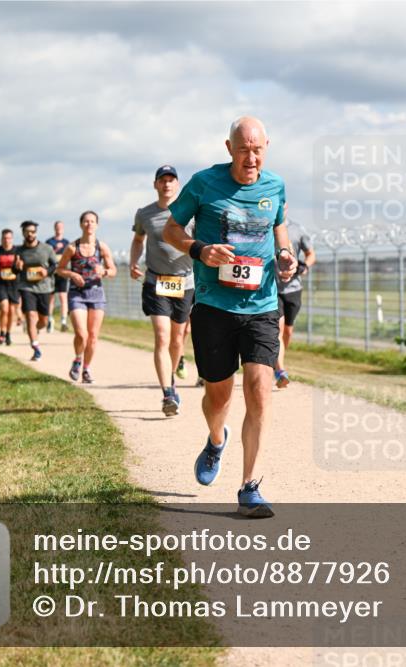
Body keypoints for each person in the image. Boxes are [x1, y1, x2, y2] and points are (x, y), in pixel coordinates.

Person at [163, 116, 297, 518]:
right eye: (243, 150)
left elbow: (280, 226)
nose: (250, 158)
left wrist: (285, 254)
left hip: (262, 305)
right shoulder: (204, 183)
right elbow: (171, 229)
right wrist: (199, 250)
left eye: (257, 150)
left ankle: (249, 486)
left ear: (267, 147)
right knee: (218, 396)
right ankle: (216, 438)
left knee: (259, 389)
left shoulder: (275, 185)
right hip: (214, 307)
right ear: (229, 149)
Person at [131, 164, 197, 416]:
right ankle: (168, 392)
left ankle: (173, 368)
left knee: (177, 339)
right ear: (155, 184)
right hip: (156, 281)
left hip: (185, 282)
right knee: (162, 336)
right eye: (162, 180)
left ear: (177, 184)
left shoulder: (189, 213)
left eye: (171, 180)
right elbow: (138, 240)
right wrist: (134, 262)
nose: (167, 184)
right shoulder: (144, 214)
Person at [57, 211, 117, 383]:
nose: (89, 224)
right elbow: (60, 269)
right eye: (86, 221)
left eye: (92, 221)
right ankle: (77, 359)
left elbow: (113, 270)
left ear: (97, 225)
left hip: (96, 293)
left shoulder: (102, 247)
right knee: (81, 334)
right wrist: (72, 274)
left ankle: (86, 369)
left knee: (93, 337)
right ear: (81, 224)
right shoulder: (72, 247)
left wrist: (104, 271)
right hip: (77, 294)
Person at [273, 223, 315, 388]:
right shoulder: (266, 224)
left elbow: (311, 254)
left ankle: (277, 360)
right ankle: (280, 371)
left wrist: (304, 266)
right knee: (278, 328)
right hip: (272, 288)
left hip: (293, 288)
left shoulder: (297, 229)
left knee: (287, 331)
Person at [15, 221, 57, 361]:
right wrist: (17, 267)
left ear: (36, 233)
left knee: (43, 321)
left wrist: (47, 271)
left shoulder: (47, 248)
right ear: (23, 233)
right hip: (27, 287)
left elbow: (55, 265)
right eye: (27, 231)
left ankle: (35, 328)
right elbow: (15, 270)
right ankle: (35, 347)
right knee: (31, 316)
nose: (30, 234)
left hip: (44, 288)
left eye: (32, 231)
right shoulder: (19, 251)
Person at [0, 229, 21, 346]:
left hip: (14, 284)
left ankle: (8, 333)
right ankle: (2, 333)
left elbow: (21, 265)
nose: (6, 240)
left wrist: (20, 266)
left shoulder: (17, 250)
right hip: (1, 283)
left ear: (12, 239)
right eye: (4, 238)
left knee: (11, 311)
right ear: (1, 239)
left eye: (9, 238)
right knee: (4, 308)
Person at [45, 220, 70, 333]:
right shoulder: (49, 242)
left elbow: (69, 256)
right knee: (50, 298)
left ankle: (63, 321)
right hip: (51, 273)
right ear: (54, 228)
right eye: (57, 227)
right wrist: (55, 250)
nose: (59, 228)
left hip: (62, 272)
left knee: (63, 296)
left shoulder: (66, 243)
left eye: (61, 227)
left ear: (63, 228)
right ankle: (50, 320)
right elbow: (46, 256)